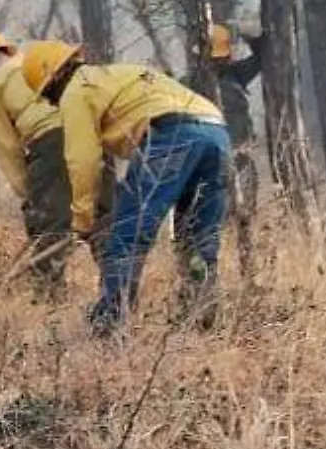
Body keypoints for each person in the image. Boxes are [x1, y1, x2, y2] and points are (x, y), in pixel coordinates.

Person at [21, 39, 231, 334]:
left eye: (48, 96)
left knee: (127, 235)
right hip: (216, 131)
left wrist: (83, 218)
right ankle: (201, 313)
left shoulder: (75, 92)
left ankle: (110, 323)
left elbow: (83, 161)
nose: (53, 103)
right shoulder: (117, 74)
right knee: (197, 235)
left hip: (169, 134)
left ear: (53, 79)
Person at [0, 27, 110, 299]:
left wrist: (28, 194)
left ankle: (48, 301)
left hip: (50, 143)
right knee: (106, 218)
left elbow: (7, 147)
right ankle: (119, 289)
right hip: (89, 130)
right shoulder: (32, 60)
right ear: (4, 52)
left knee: (50, 230)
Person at [200, 20, 266, 274]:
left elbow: (261, 56)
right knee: (214, 220)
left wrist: (249, 33)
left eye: (222, 58)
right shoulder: (192, 82)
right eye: (214, 58)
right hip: (211, 161)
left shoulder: (236, 74)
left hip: (242, 158)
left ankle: (248, 268)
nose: (218, 63)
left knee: (245, 215)